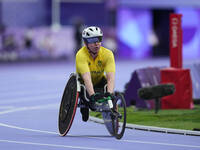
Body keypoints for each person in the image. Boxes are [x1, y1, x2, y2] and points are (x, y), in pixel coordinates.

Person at [75, 26, 116, 122]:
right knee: (90, 103)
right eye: (92, 41)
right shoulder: (81, 55)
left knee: (110, 90)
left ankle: (112, 115)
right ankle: (84, 104)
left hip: (99, 79)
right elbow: (87, 78)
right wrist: (92, 95)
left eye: (99, 39)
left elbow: (111, 77)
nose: (96, 43)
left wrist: (109, 93)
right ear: (86, 43)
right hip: (83, 83)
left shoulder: (108, 54)